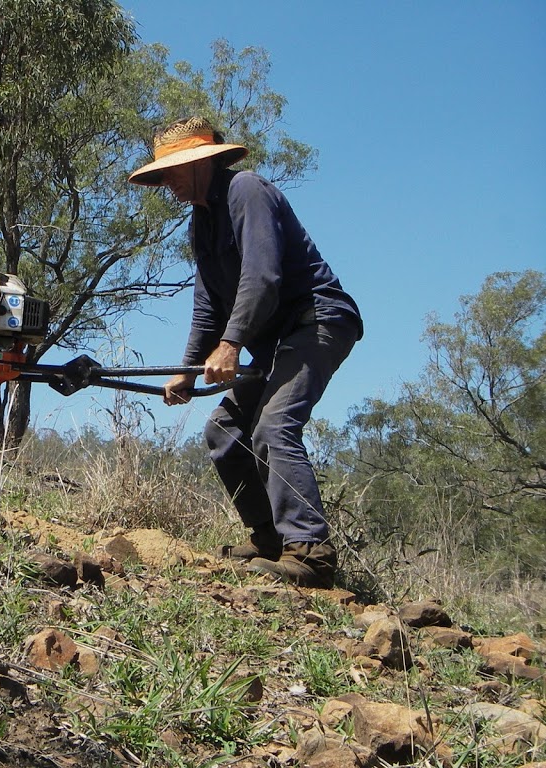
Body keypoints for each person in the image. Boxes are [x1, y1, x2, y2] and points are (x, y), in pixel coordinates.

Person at [128, 116, 363, 588]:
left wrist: (232, 344)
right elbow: (208, 305)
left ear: (202, 162)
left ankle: (312, 552)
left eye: (173, 168)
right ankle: (269, 540)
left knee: (274, 427)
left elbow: (264, 277)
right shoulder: (202, 220)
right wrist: (190, 371)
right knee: (224, 430)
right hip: (276, 340)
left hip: (316, 321)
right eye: (162, 171)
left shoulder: (246, 191)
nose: (167, 181)